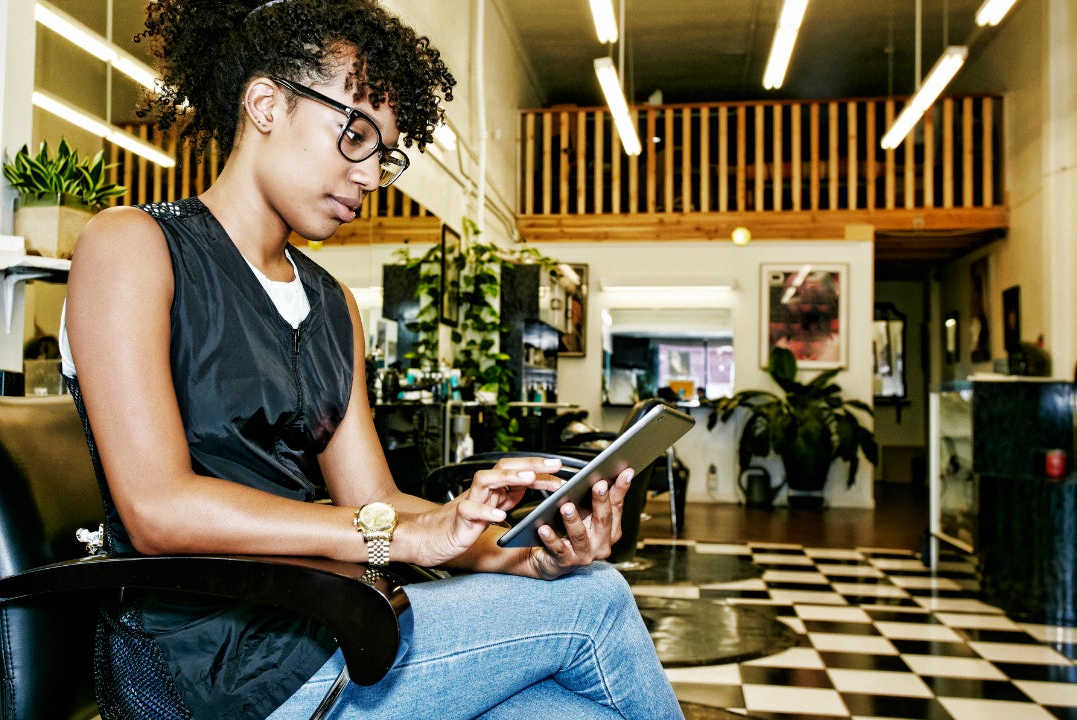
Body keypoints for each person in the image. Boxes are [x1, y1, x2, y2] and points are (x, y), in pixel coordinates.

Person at [60, 1, 681, 718]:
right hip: (211, 666)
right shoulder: (133, 245)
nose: (367, 173)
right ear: (265, 104)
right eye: (353, 135)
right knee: (596, 601)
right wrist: (402, 531)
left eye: (382, 153)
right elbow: (157, 510)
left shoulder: (331, 304)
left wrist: (521, 549)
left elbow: (373, 505)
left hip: (337, 623)